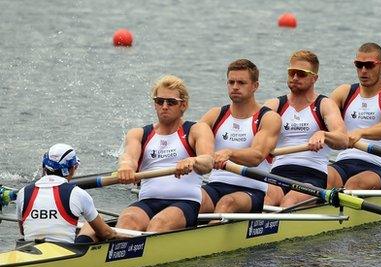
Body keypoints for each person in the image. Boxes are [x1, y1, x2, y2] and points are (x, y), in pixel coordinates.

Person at [102, 75, 214, 232]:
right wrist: (126, 167)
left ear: (183, 105)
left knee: (159, 223)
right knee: (127, 220)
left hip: (184, 202)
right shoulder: (139, 133)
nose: (165, 106)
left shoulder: (196, 130)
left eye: (171, 102)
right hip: (148, 201)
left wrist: (194, 161)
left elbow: (208, 161)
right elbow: (129, 157)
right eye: (159, 101)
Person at [263, 50, 348, 207]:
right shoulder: (274, 105)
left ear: (314, 78)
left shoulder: (324, 104)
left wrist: (324, 134)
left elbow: (343, 139)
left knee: (288, 203)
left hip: (312, 176)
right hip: (278, 174)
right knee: (264, 202)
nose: (295, 78)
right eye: (292, 72)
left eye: (301, 74)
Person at [200, 59, 281, 213]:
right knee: (193, 199)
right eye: (231, 82)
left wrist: (229, 153)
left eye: (241, 83)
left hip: (251, 190)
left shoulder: (268, 118)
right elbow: (190, 144)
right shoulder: (214, 115)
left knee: (226, 203)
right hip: (215, 185)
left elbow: (256, 156)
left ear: (255, 86)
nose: (235, 87)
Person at [328, 42, 381, 190]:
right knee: (324, 178)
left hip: (378, 164)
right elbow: (320, 119)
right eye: (359, 65)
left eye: (369, 65)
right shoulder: (343, 92)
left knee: (354, 184)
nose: (363, 71)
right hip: (344, 161)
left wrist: (360, 132)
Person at [16, 144, 122, 244]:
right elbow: (105, 233)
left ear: (44, 166)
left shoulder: (23, 192)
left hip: (29, 250)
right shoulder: (78, 193)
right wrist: (119, 237)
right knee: (95, 224)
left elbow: (23, 231)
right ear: (72, 168)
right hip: (64, 253)